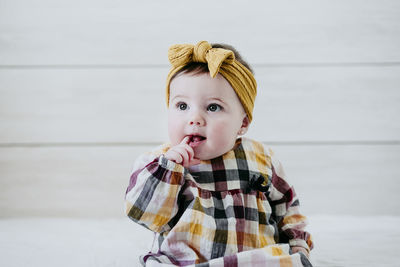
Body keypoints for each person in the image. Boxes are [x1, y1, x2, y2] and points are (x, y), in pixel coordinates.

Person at [125, 41, 314, 266]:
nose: (194, 118)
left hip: (254, 260)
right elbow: (142, 215)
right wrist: (168, 170)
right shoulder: (159, 163)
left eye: (213, 107)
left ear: (242, 123)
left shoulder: (261, 158)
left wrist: (298, 244)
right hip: (184, 261)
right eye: (182, 106)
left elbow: (287, 208)